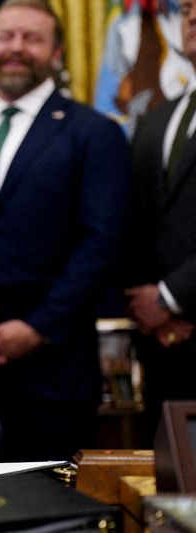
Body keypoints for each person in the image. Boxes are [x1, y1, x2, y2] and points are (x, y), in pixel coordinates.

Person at [0, 0, 130, 460]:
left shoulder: (94, 134)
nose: (16, 48)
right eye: (5, 36)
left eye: (31, 38)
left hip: (53, 371)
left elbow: (103, 243)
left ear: (57, 54)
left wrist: (38, 327)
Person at [125, 0, 196, 444]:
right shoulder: (155, 119)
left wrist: (172, 297)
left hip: (181, 315)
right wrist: (148, 305)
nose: (191, 18)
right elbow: (134, 222)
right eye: (188, 10)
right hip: (163, 347)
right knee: (168, 499)